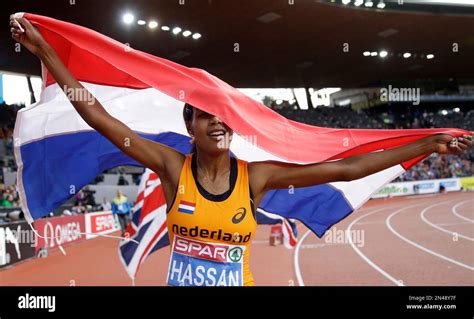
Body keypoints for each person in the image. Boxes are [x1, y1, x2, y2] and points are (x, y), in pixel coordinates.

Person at [10, 16, 473, 286]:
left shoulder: (257, 177)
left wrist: (425, 144)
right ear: (189, 126)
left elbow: (347, 168)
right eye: (205, 115)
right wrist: (47, 54)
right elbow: (100, 119)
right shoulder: (172, 167)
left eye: (222, 116)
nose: (216, 122)